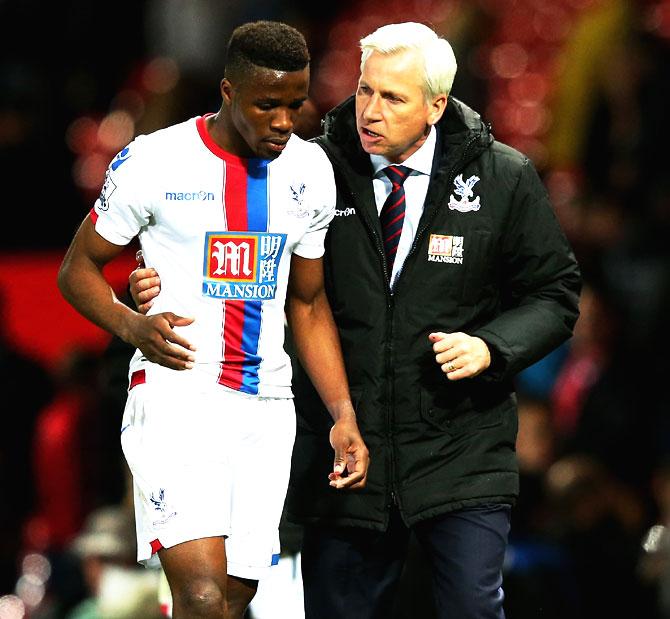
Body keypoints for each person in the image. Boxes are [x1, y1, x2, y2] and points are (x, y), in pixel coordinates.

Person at [130, 21, 581, 619]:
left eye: (392, 98)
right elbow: (240, 251)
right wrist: (158, 275)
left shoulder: (503, 178)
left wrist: (492, 347)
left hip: (460, 450)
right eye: (365, 90)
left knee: (472, 611)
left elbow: (555, 292)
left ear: (435, 106)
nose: (369, 110)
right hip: (347, 460)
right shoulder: (311, 167)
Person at [57, 21, 369, 619]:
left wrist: (342, 414)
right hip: (180, 395)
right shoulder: (155, 161)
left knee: (229, 601)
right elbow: (77, 270)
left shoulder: (310, 173)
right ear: (228, 92)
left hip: (267, 407)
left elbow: (307, 305)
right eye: (267, 105)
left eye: (295, 105)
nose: (283, 121)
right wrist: (131, 326)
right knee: (201, 596)